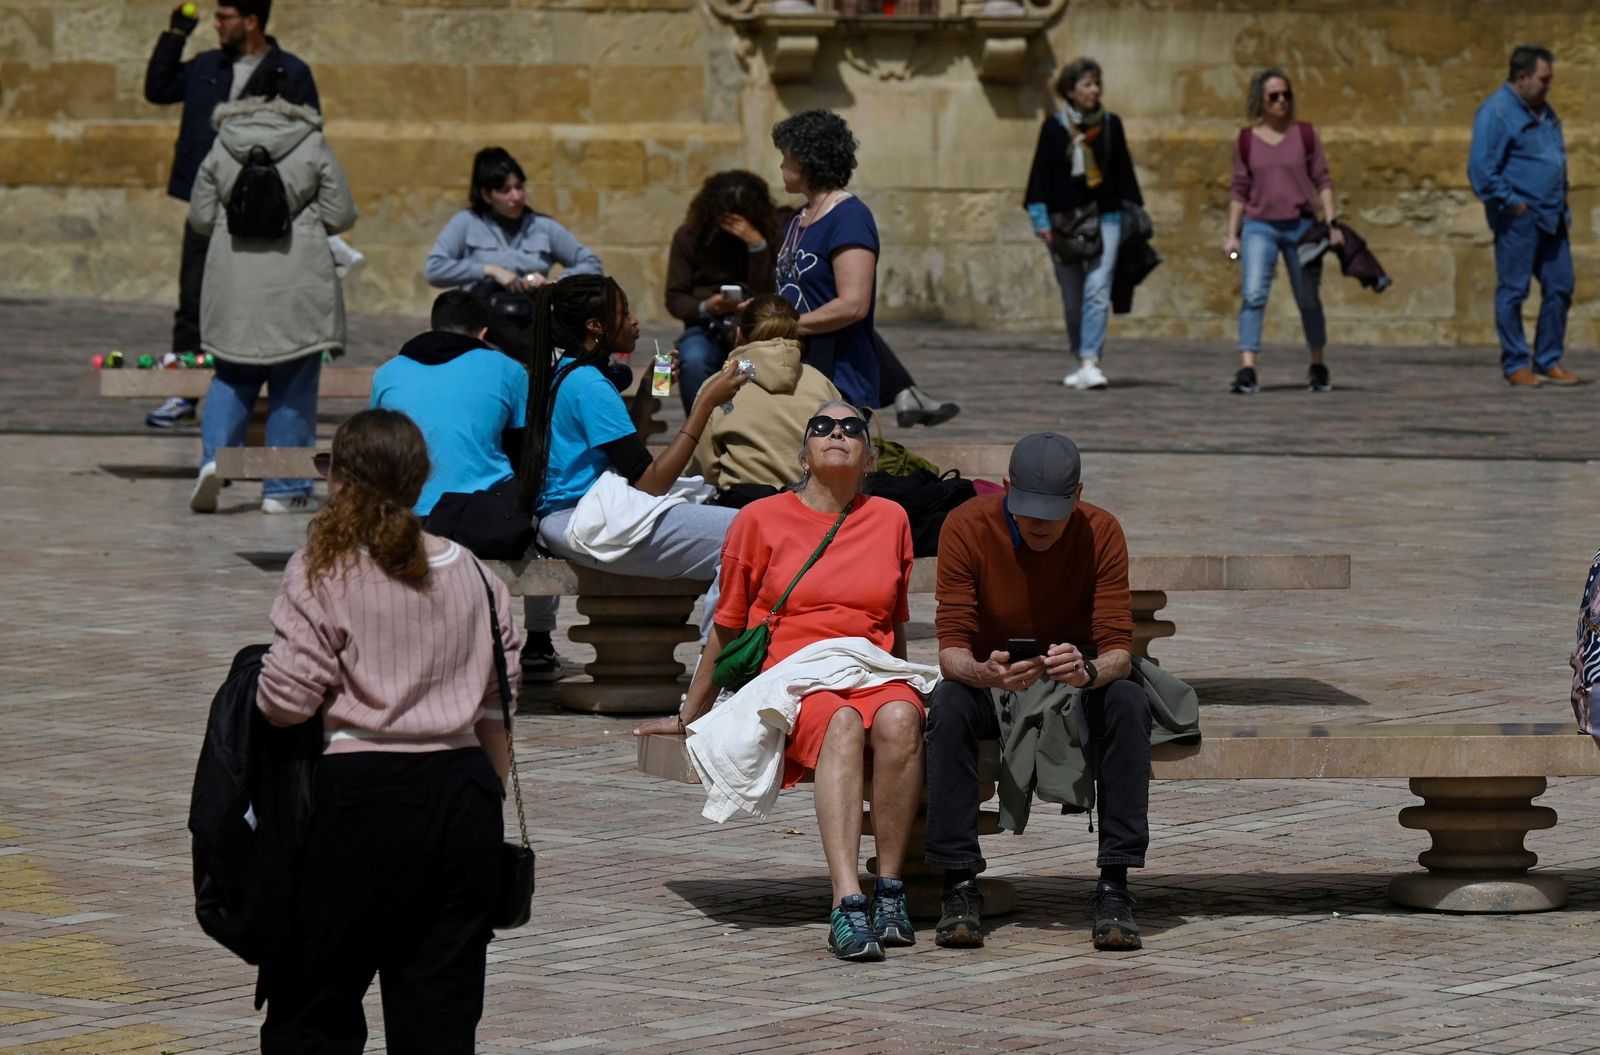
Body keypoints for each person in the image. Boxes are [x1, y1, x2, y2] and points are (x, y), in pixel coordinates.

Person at [253, 408, 517, 1052]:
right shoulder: (479, 578)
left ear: (339, 480)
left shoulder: (322, 568)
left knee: (314, 1003)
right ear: (421, 479)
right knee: (440, 1012)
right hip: (461, 795)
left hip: (355, 795)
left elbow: (285, 703)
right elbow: (498, 713)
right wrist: (485, 796)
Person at [638, 401, 925, 962]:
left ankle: (891, 890)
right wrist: (688, 715)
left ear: (868, 456)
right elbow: (725, 627)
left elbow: (894, 624)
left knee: (901, 717)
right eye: (822, 427)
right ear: (804, 452)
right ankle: (847, 901)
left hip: (869, 667)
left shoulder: (891, 518)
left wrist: (903, 683)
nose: (836, 434)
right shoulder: (760, 519)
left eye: (851, 429)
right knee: (840, 722)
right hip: (795, 676)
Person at [925, 433, 1153, 952]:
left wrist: (1090, 670)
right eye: (1029, 511)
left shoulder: (1101, 530)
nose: (1042, 525)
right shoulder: (967, 525)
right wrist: (984, 672)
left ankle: (1115, 884)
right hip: (992, 679)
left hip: (1076, 683)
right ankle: (958, 884)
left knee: (1127, 702)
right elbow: (951, 648)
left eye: (1055, 511)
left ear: (1079, 495)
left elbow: (1119, 644)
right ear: (1006, 489)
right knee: (949, 705)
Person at [517, 275, 750, 632]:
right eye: (624, 313)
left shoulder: (568, 374)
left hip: (573, 520)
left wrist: (645, 396)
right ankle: (718, 669)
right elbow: (650, 483)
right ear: (595, 326)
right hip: (587, 523)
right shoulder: (590, 384)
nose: (635, 321)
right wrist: (705, 403)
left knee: (747, 532)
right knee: (750, 532)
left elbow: (625, 459)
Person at [370, 289, 565, 682]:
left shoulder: (387, 372)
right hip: (481, 518)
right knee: (544, 535)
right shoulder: (507, 369)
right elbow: (524, 451)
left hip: (408, 518)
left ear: (430, 327)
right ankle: (540, 642)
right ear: (484, 332)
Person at [143, 0, 319, 429]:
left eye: (225, 18)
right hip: (207, 204)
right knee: (192, 301)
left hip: (263, 211)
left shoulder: (288, 72)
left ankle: (260, 391)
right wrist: (175, 35)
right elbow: (158, 88)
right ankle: (184, 393)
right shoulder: (207, 65)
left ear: (251, 21)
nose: (217, 24)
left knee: (256, 298)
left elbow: (310, 134)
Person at [187, 76, 357, 515]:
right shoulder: (311, 142)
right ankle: (284, 488)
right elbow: (340, 213)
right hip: (297, 280)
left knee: (232, 375)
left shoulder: (222, 142)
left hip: (234, 280)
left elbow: (201, 217)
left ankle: (213, 462)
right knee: (293, 382)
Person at [1024, 57, 1144, 392]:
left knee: (1097, 290)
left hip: (1107, 217)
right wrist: (1041, 221)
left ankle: (1091, 360)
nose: (1094, 90)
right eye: (1087, 84)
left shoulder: (1110, 124)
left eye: (1097, 83)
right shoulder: (1054, 127)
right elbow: (1040, 176)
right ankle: (1080, 356)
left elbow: (1124, 174)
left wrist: (1135, 217)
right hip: (1063, 223)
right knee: (1073, 297)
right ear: (1071, 90)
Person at [1223, 67, 1341, 395]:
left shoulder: (1304, 134)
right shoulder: (1247, 140)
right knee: (1254, 295)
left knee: (1308, 297)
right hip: (1260, 226)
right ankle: (1248, 367)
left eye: (1286, 95)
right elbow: (1239, 189)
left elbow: (1323, 180)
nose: (1281, 102)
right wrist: (1232, 235)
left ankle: (1317, 363)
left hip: (1302, 226)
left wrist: (1331, 222)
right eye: (1273, 96)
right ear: (1260, 101)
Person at [424, 147, 603, 361]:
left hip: (531, 326)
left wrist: (554, 283)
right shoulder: (466, 223)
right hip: (486, 330)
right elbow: (434, 270)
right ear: (486, 195)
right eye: (505, 190)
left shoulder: (542, 226)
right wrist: (489, 270)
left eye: (519, 187)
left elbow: (591, 264)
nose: (516, 197)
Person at [1468, 45, 1578, 388]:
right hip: (1520, 218)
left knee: (1561, 286)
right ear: (1522, 78)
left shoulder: (1544, 111)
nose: (1549, 86)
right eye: (1543, 80)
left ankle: (1547, 358)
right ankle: (1516, 362)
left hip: (1553, 215)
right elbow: (1482, 171)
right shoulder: (1497, 112)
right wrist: (1513, 204)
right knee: (1514, 291)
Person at [772, 110, 882, 412]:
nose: (781, 164)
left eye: (786, 156)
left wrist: (782, 326)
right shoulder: (799, 218)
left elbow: (853, 305)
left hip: (837, 375)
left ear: (807, 160)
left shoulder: (849, 217)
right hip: (794, 370)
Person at [691, 295, 841, 501]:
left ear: (739, 333)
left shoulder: (716, 386)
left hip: (741, 510)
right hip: (813, 507)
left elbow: (704, 472)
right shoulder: (822, 383)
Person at [664, 170, 779, 412]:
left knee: (760, 364)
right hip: (707, 326)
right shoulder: (689, 237)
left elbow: (770, 291)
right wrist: (708, 306)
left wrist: (757, 246)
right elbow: (675, 298)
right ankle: (697, 432)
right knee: (694, 359)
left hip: (758, 327)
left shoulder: (770, 236)